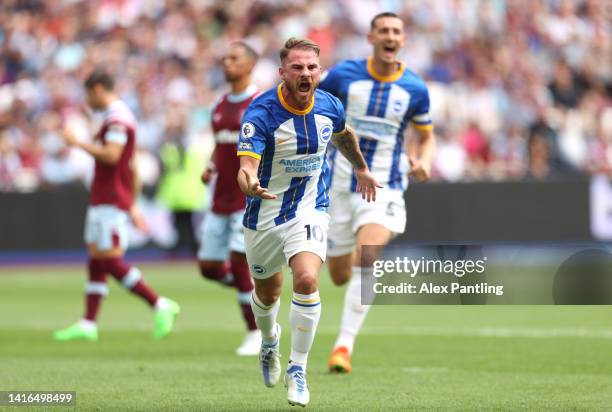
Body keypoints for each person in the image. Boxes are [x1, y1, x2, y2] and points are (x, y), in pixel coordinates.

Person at [237, 37, 381, 407]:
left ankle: (297, 368)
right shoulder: (261, 113)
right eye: (297, 68)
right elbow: (246, 167)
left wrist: (361, 168)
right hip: (264, 215)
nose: (306, 74)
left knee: (306, 278)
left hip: (310, 208)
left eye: (312, 67)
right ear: (282, 72)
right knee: (267, 294)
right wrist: (250, 183)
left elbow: (343, 135)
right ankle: (269, 341)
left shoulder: (330, 105)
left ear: (320, 71)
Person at [318, 12, 436, 373]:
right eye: (383, 30)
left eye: (396, 31)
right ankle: (345, 268)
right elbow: (314, 111)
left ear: (403, 40)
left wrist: (424, 161)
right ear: (370, 37)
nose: (390, 36)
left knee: (367, 256)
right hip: (339, 185)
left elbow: (426, 134)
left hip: (386, 185)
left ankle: (343, 347)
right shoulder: (342, 76)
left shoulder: (414, 89)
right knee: (339, 274)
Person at [54, 70, 180, 342]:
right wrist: (133, 205)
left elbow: (112, 155)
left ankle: (159, 304)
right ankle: (88, 323)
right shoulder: (116, 117)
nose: (88, 100)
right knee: (97, 257)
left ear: (98, 89)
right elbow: (131, 165)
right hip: (107, 197)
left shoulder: (117, 119)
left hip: (110, 198)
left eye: (89, 94)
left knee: (108, 259)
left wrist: (77, 143)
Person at [197, 41, 261, 355]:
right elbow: (220, 144)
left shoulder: (260, 102)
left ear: (250, 65)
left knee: (238, 263)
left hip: (246, 198)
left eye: (234, 58)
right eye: (225, 58)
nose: (227, 63)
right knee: (208, 267)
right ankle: (253, 288)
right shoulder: (220, 104)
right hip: (219, 196)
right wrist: (211, 165)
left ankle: (255, 332)